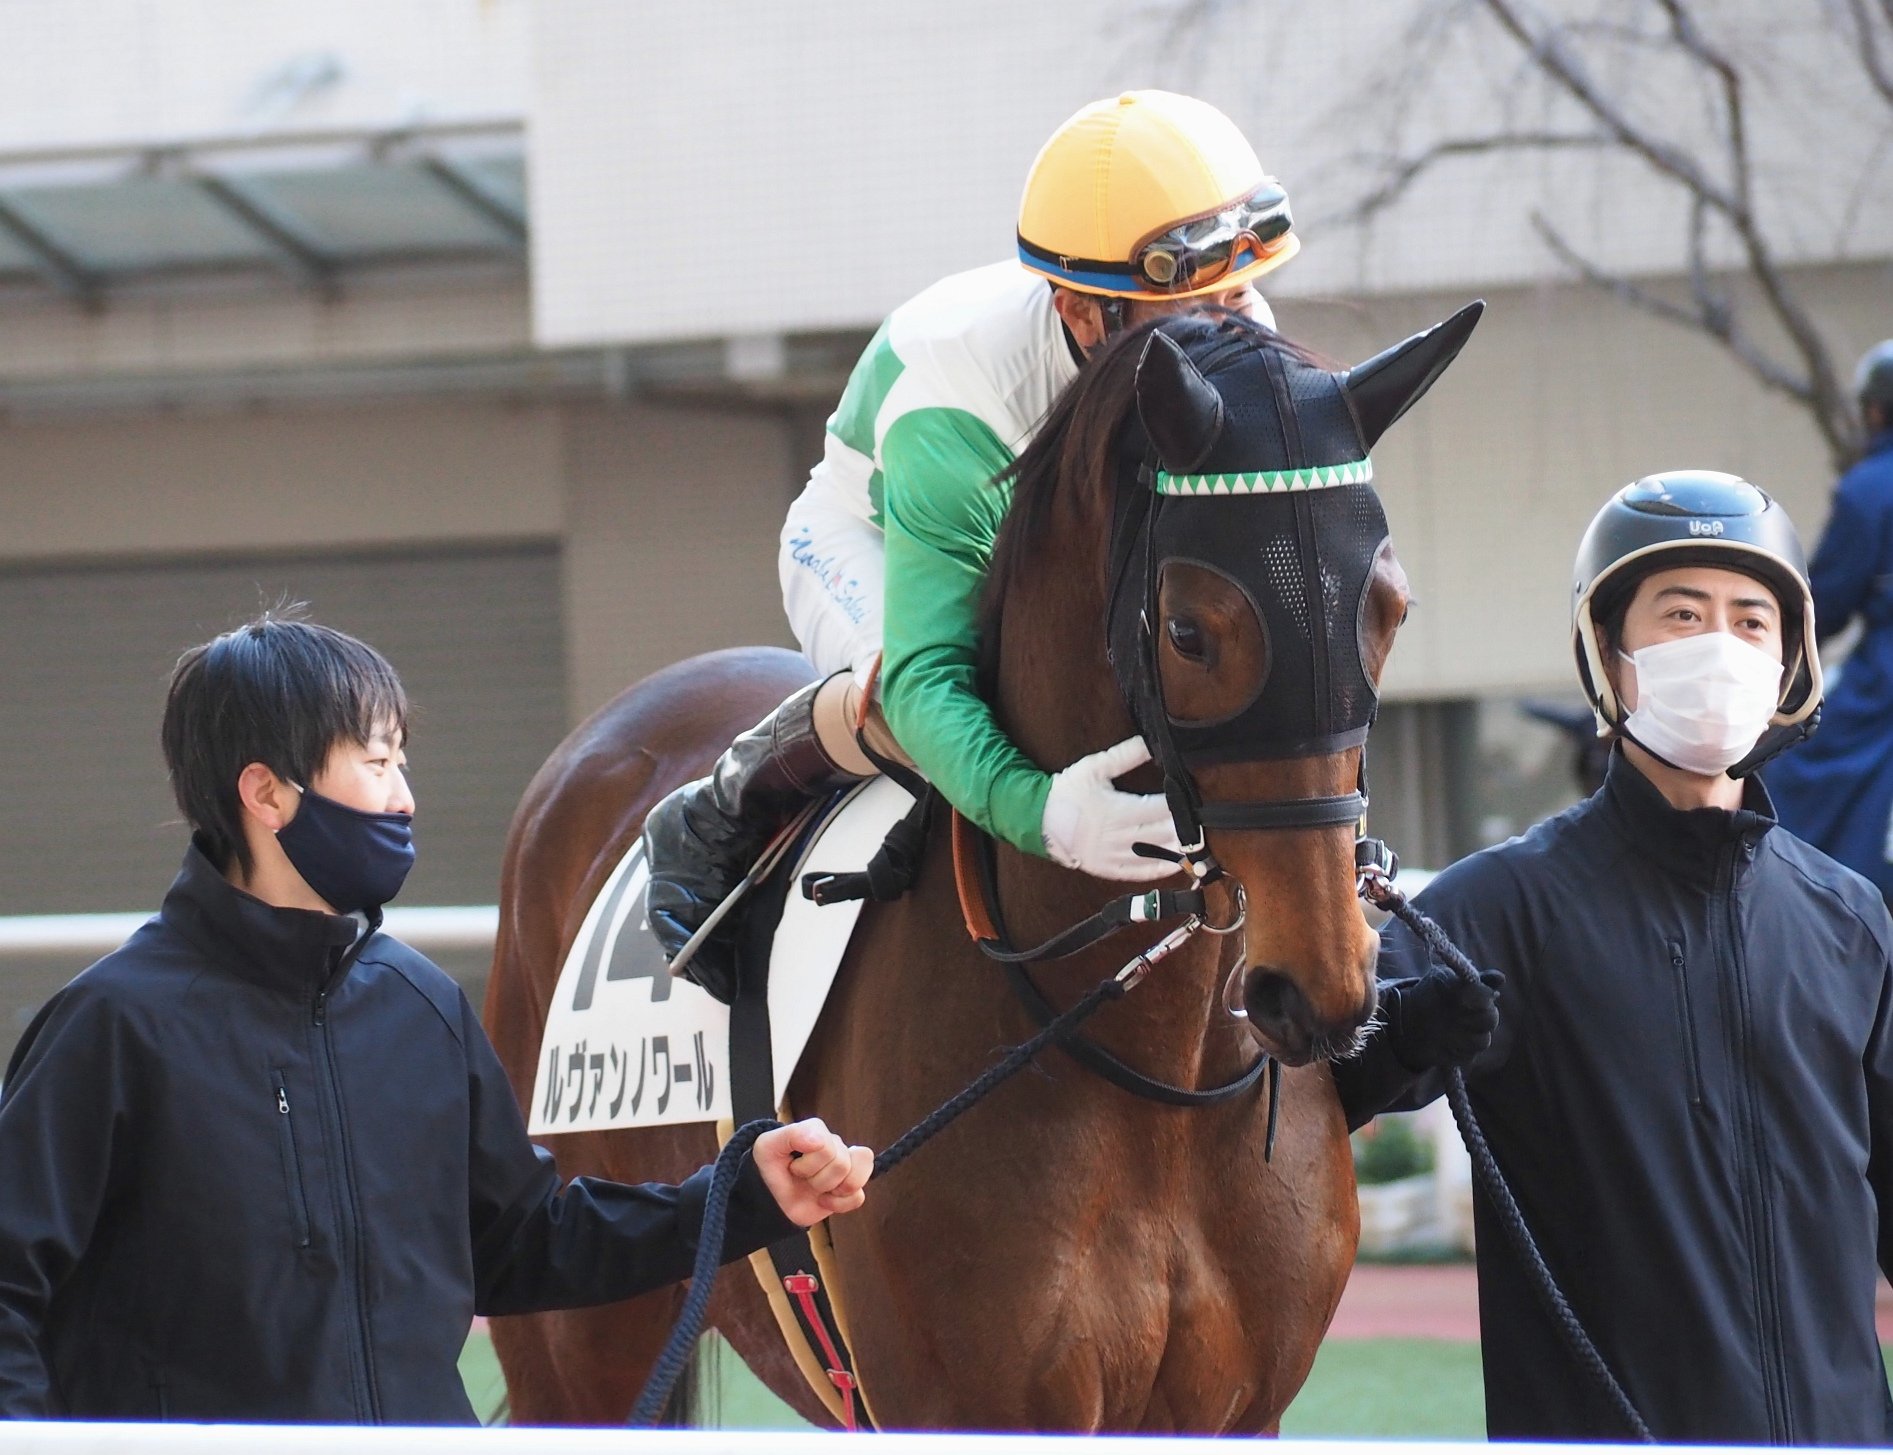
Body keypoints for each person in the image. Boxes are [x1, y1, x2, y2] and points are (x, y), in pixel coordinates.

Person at [0, 612, 873, 1423]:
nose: (405, 798)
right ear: (266, 793)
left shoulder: (422, 1009)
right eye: (376, 764)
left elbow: (517, 1245)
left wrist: (738, 1198)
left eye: (401, 764)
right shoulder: (110, 1026)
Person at [644, 90, 1303, 999]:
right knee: (927, 697)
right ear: (1080, 314)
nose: (1227, 332)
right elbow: (928, 681)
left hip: (1054, 544)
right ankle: (726, 796)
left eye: (1234, 294)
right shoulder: (957, 394)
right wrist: (1040, 815)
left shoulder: (1238, 331)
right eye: (1190, 310)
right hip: (869, 538)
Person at [1334, 471, 1893, 1444]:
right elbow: (1304, 1081)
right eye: (1682, 614)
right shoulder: (1496, 907)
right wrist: (1396, 1037)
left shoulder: (1851, 921)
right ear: (1610, 649)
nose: (1719, 646)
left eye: (1750, 622)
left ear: (1790, 660)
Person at [1762, 340, 1893, 903]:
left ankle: (1808, 902)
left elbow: (1826, 606)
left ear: (1875, 411)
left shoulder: (1869, 489)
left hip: (1886, 677)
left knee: (1788, 764)